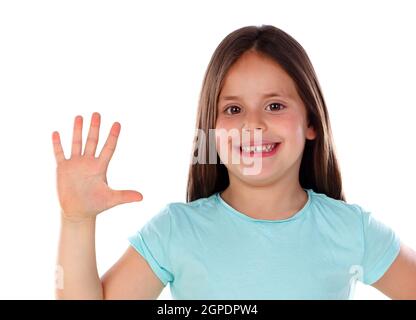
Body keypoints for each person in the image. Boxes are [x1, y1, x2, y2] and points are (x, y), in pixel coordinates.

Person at [52, 25, 416, 299]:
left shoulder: (351, 230)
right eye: (233, 109)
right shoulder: (176, 231)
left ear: (310, 123)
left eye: (274, 106)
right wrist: (77, 221)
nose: (253, 124)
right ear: (211, 129)